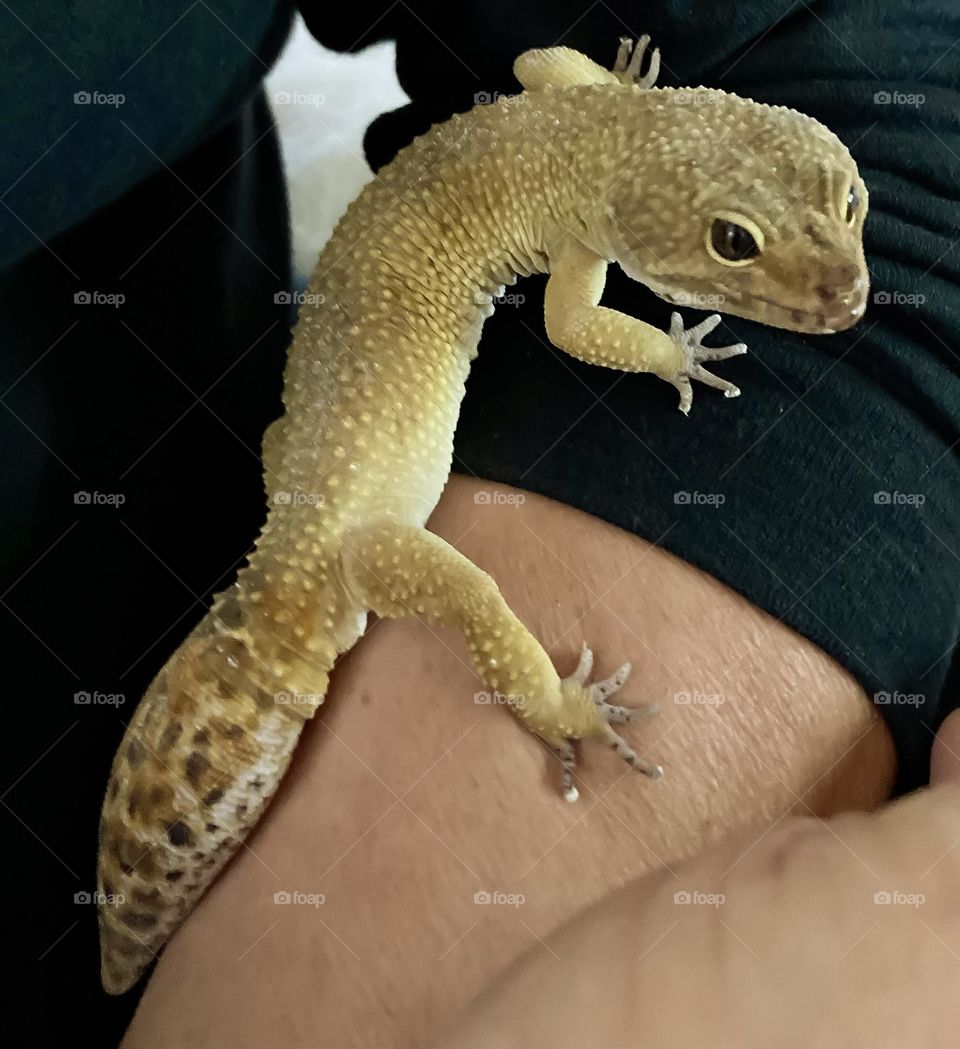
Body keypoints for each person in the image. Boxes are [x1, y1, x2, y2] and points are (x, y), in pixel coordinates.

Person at [1, 2, 956, 1045]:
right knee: (468, 595)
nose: (842, 280)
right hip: (337, 534)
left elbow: (546, 56)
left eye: (844, 203)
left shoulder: (598, 144)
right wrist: (672, 354)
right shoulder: (592, 190)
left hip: (259, 419)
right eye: (737, 247)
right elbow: (574, 316)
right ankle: (545, 701)